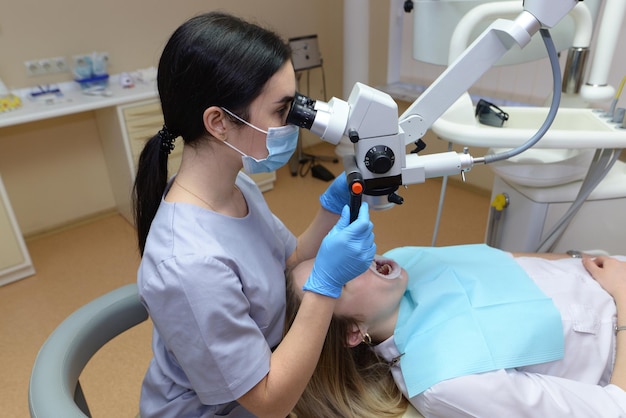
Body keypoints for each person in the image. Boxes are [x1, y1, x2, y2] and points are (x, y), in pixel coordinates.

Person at [132, 12, 376, 418]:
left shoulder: (236, 187)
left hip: (265, 374)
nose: (296, 122)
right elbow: (268, 402)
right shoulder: (189, 262)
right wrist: (326, 285)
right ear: (219, 122)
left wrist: (329, 211)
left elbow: (288, 260)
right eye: (282, 111)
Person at [285, 244, 626, 418]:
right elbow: (614, 410)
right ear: (353, 333)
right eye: (342, 277)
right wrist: (622, 292)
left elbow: (505, 258)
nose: (359, 260)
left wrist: (582, 258)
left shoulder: (407, 258)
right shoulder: (444, 381)